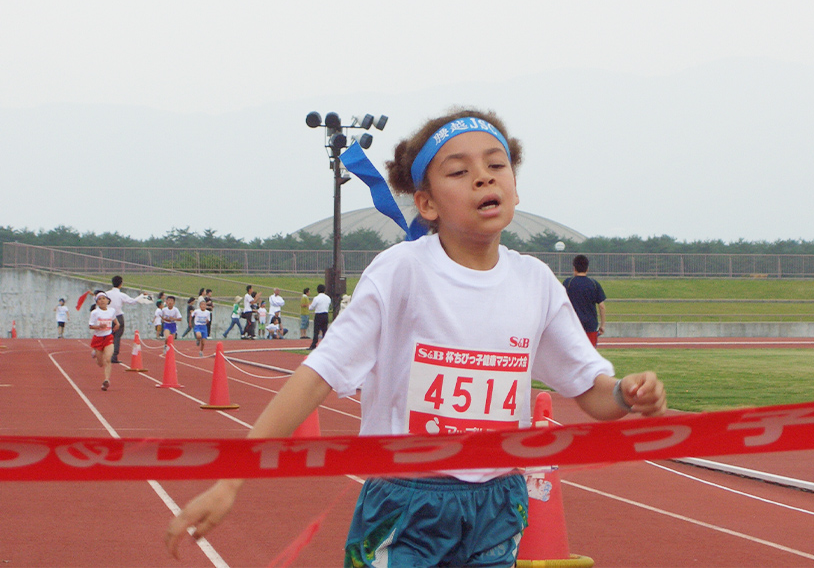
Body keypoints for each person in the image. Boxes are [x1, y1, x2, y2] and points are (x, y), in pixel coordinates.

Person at [167, 108, 667, 567]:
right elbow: (319, 374)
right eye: (458, 170)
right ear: (426, 203)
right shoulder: (401, 273)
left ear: (515, 188)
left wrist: (627, 393)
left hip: (498, 505)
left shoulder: (535, 283)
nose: (483, 176)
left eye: (497, 164)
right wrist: (232, 478)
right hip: (405, 503)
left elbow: (590, 391)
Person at [563, 255, 607, 347]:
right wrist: (602, 325)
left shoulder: (568, 283)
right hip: (590, 326)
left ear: (574, 268)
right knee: (589, 355)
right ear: (587, 269)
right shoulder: (594, 284)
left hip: (572, 325)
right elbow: (602, 306)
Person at [105, 275, 144, 363]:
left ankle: (106, 354)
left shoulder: (106, 294)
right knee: (117, 337)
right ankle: (114, 356)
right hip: (118, 316)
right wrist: (141, 296)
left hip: (108, 317)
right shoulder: (121, 295)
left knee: (108, 336)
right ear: (121, 284)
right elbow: (132, 302)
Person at [88, 291, 119, 391]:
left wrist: (117, 324)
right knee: (100, 363)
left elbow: (114, 318)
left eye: (103, 298)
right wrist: (99, 326)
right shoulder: (95, 313)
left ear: (107, 300)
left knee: (108, 359)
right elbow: (90, 326)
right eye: (99, 299)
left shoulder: (111, 311)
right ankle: (95, 354)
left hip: (108, 337)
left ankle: (106, 380)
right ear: (97, 302)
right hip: (98, 338)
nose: (102, 301)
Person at [307, 284, 331, 350]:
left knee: (316, 331)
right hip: (325, 314)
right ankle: (326, 345)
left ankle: (314, 344)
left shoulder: (316, 298)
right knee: (325, 330)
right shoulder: (328, 298)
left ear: (318, 290)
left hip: (318, 315)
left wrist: (309, 305)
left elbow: (311, 307)